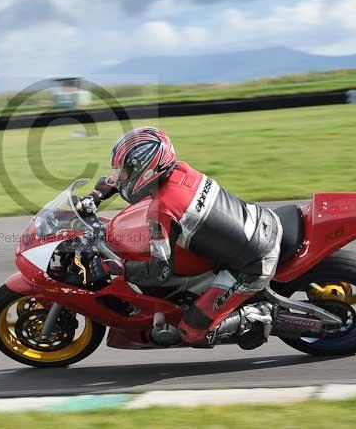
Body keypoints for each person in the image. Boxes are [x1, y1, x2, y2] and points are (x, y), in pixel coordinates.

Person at [77, 126, 281, 349]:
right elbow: (127, 183)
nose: (121, 176)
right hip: (260, 223)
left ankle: (260, 315)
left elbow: (160, 272)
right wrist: (96, 196)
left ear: (146, 169)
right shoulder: (180, 170)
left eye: (126, 170)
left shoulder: (162, 211)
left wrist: (116, 268)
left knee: (191, 331)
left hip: (253, 264)